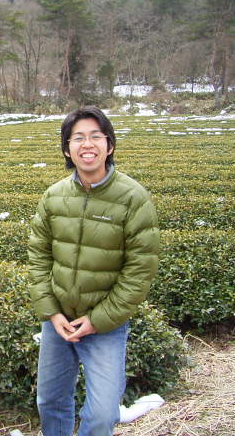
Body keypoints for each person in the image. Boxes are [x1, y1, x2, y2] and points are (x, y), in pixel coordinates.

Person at [27, 106, 160, 436]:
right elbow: (39, 256)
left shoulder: (133, 198)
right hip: (58, 321)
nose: (87, 145)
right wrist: (51, 312)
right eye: (78, 138)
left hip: (104, 325)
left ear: (109, 145)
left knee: (102, 415)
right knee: (50, 401)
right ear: (67, 149)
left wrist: (98, 319)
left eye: (96, 137)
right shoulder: (54, 196)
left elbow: (140, 270)